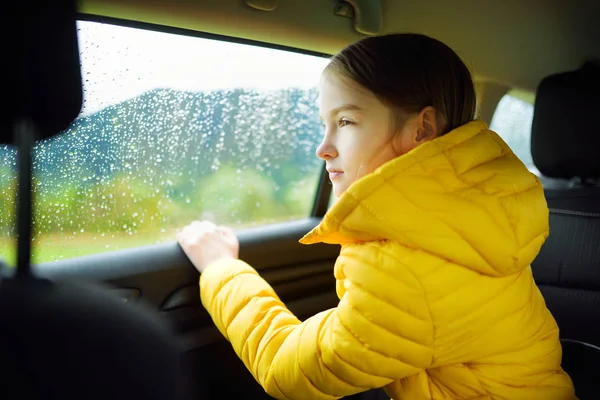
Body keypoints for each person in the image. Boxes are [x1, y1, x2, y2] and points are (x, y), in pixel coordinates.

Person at [177, 33, 576, 399]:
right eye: (324, 125)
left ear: (421, 128)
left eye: (346, 121)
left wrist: (220, 269)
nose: (324, 148)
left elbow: (286, 371)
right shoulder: (467, 216)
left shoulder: (409, 271)